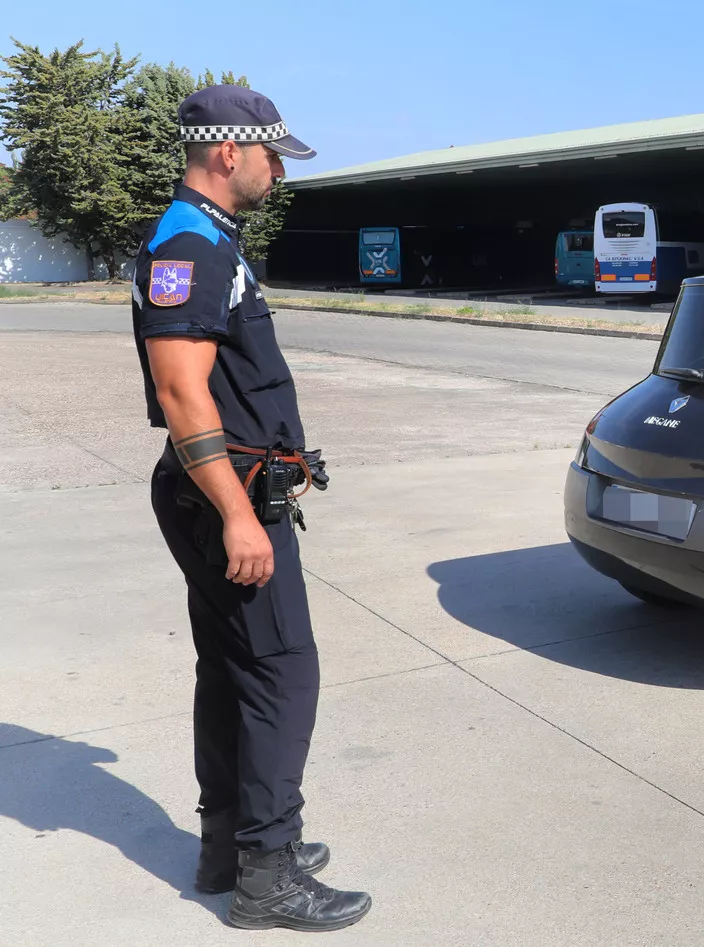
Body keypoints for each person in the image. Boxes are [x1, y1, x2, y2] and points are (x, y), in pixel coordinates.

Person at [131, 84, 371, 933]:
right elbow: (180, 390)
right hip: (222, 494)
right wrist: (237, 513)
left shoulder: (207, 241)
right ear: (229, 153)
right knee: (280, 670)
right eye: (274, 155)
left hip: (221, 485)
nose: (280, 170)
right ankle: (267, 872)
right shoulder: (190, 247)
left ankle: (228, 847)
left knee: (234, 668)